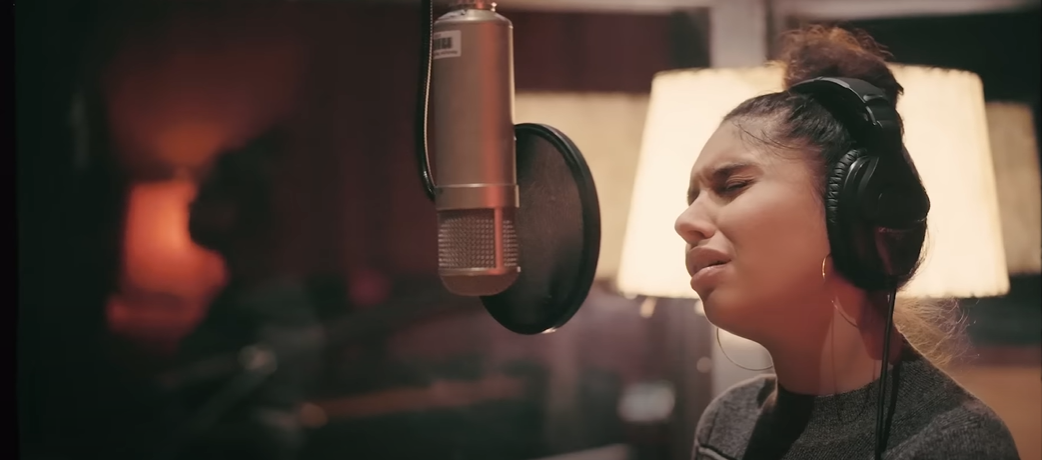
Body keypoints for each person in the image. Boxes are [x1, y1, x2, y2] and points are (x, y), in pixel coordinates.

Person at [676, 26, 1020, 460]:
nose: (684, 222)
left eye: (732, 185)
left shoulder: (953, 444)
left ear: (854, 209)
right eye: (691, 199)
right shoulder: (726, 423)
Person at [163, 129, 324, 460]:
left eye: (206, 193)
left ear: (238, 208)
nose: (189, 203)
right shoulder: (242, 295)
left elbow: (272, 422)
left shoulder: (272, 305)